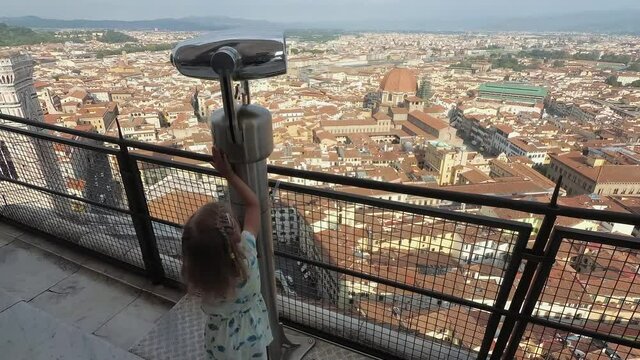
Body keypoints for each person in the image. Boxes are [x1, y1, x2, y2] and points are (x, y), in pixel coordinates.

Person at [181, 146, 273, 360]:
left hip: (220, 341)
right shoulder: (247, 257)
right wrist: (229, 174)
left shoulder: (199, 278)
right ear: (231, 230)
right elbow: (253, 205)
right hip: (253, 336)